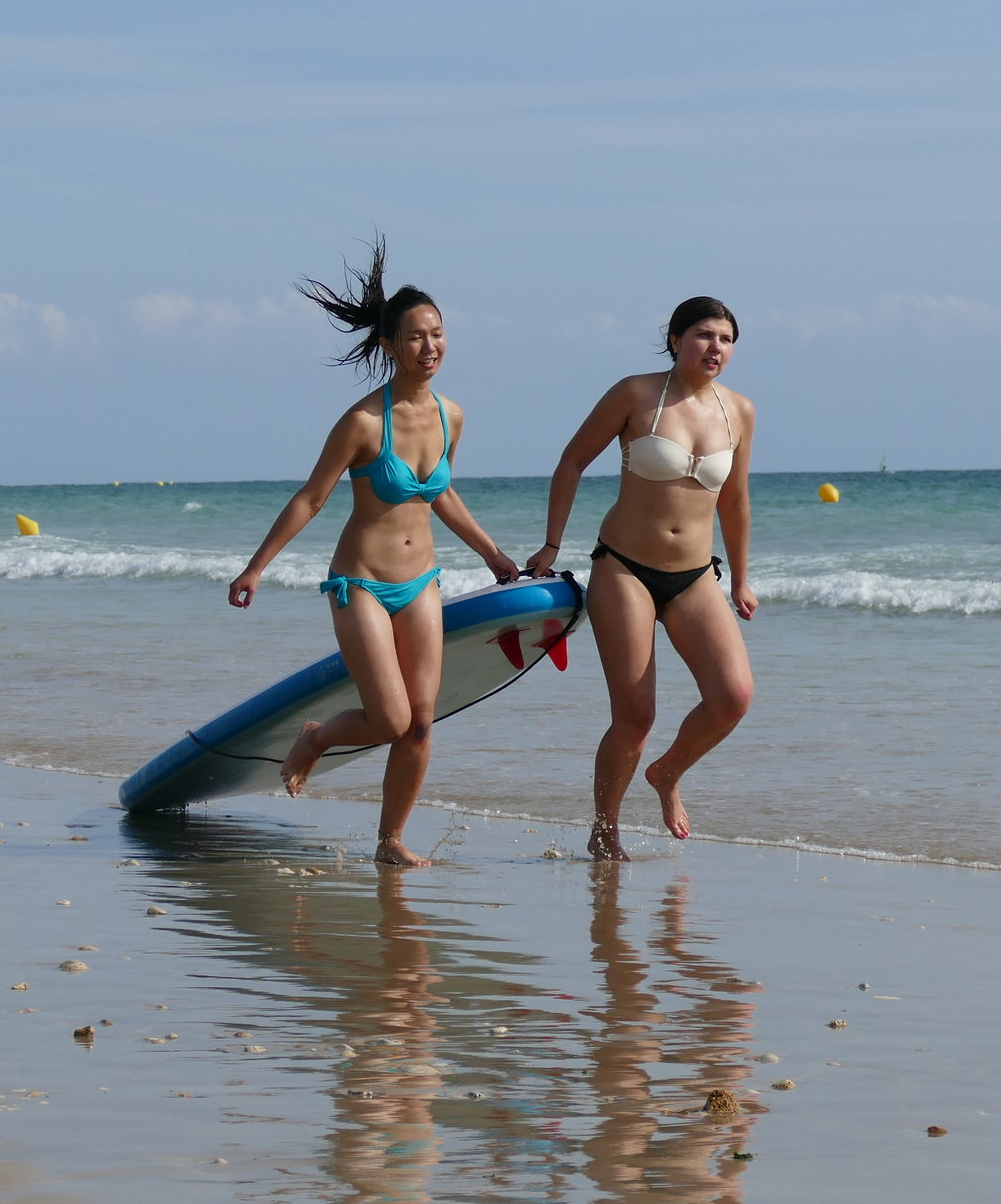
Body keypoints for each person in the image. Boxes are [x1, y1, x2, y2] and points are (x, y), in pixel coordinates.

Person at [227, 240, 520, 867]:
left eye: (438, 334)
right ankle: (317, 736)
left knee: (419, 723)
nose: (430, 347)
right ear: (390, 344)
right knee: (388, 719)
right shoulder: (364, 422)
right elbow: (311, 498)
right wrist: (257, 566)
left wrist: (494, 555)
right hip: (360, 583)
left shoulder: (452, 416)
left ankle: (390, 841)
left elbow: (441, 495)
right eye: (415, 337)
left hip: (423, 583)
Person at [526, 298, 757, 859]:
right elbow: (571, 461)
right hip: (625, 567)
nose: (715, 348)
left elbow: (735, 501)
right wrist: (552, 543)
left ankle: (667, 774)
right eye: (704, 335)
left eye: (726, 339)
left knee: (733, 697)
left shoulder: (739, 411)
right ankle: (604, 830)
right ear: (675, 339)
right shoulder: (635, 394)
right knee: (635, 716)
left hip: (696, 575)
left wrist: (740, 580)